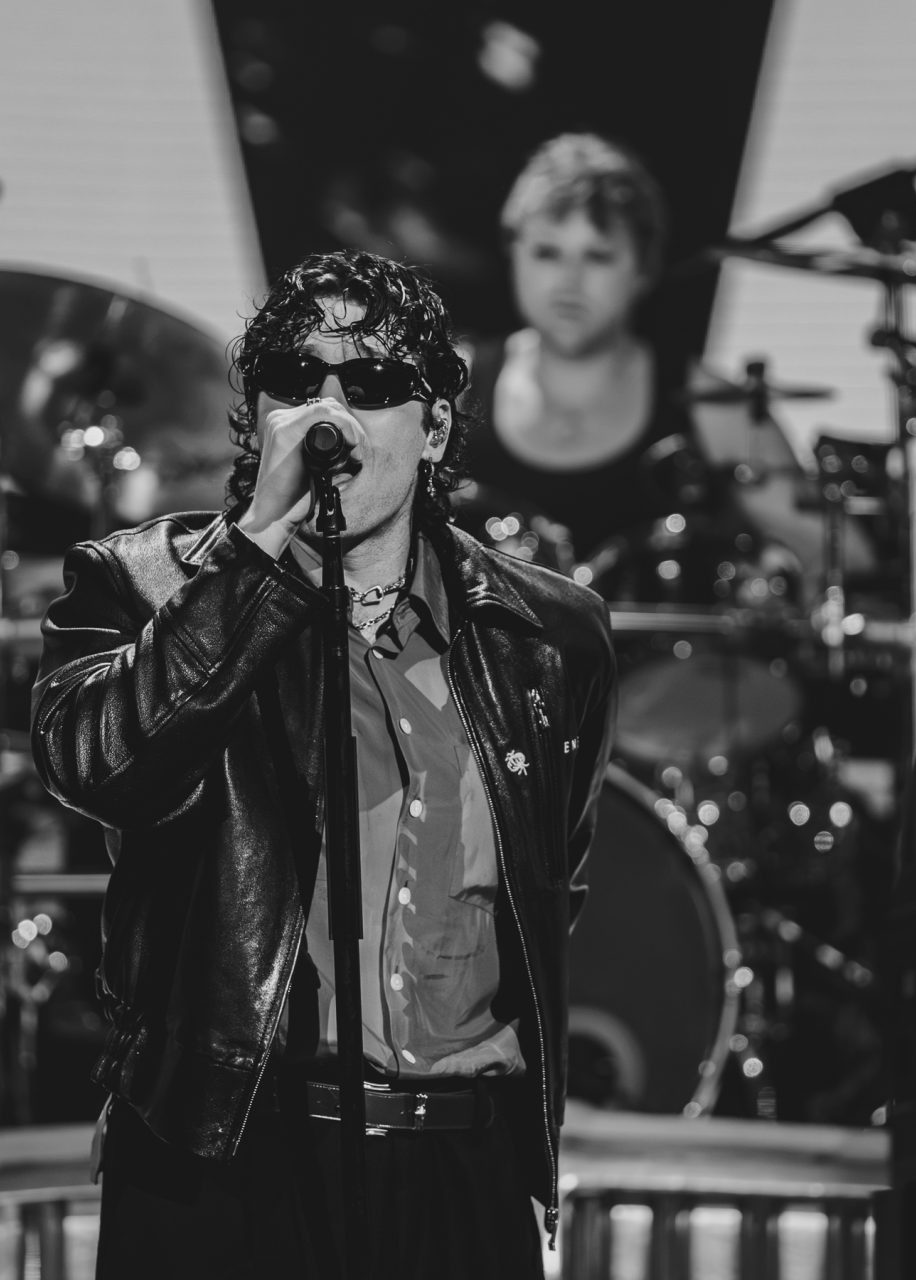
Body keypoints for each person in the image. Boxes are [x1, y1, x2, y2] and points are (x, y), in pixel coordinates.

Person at [30, 249, 617, 1278]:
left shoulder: (550, 636)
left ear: (435, 427)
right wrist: (255, 550)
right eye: (296, 380)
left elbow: (548, 884)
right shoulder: (140, 587)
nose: (329, 411)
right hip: (226, 1163)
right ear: (256, 416)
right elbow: (100, 766)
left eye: (374, 383)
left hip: (460, 1171)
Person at [466, 131, 863, 574]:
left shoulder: (714, 406)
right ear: (512, 253)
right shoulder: (450, 387)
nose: (569, 281)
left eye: (598, 256)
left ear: (643, 268)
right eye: (547, 253)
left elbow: (843, 559)